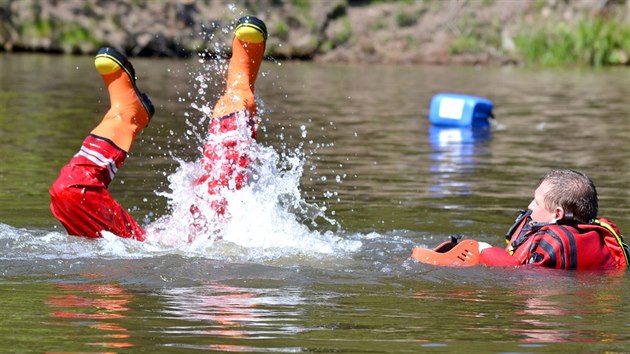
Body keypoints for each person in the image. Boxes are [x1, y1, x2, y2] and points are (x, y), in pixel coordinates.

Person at [49, 16, 268, 241]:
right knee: (210, 212)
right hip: (163, 258)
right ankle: (240, 90)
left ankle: (124, 115)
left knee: (70, 191)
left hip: (136, 256)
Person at [477, 169, 628, 270]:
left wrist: (484, 249)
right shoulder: (601, 238)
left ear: (557, 214)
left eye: (536, 202)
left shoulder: (550, 242)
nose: (530, 206)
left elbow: (516, 276)